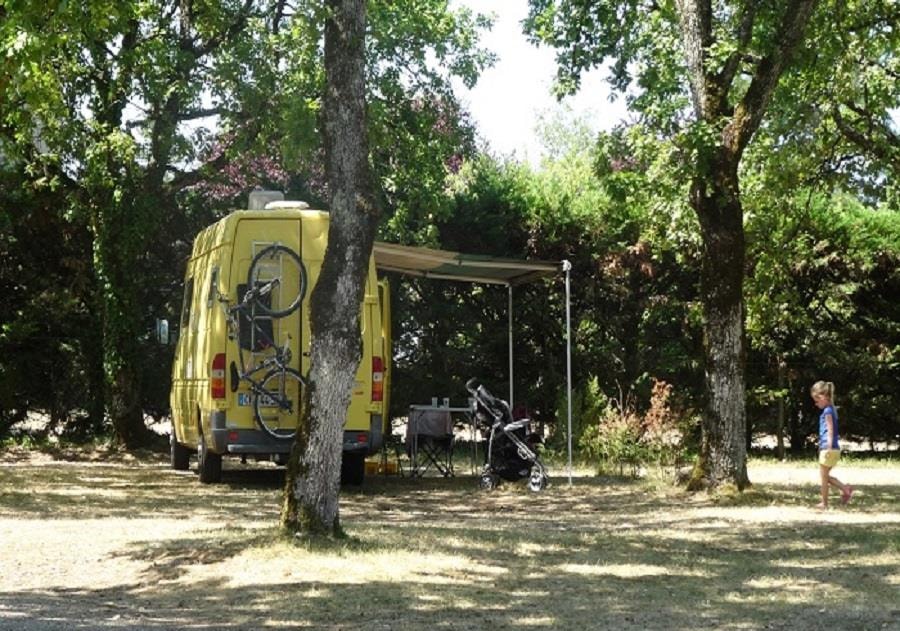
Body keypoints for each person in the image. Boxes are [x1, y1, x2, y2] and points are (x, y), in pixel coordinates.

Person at [810, 381, 853, 509]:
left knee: (824, 478)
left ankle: (825, 503)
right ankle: (845, 489)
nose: (815, 403)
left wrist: (828, 447)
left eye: (817, 400)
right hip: (833, 448)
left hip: (828, 448)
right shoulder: (831, 410)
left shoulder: (828, 411)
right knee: (825, 476)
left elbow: (830, 429)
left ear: (824, 397)